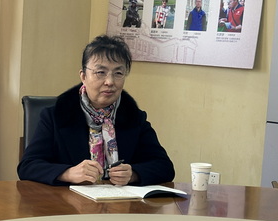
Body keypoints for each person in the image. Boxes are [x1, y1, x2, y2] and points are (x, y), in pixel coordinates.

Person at [17, 35, 174, 187]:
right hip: (68, 202)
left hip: (120, 202)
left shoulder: (134, 117)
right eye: (100, 72)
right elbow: (28, 166)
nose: (110, 82)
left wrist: (133, 174)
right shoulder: (55, 116)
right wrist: (68, 173)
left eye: (118, 73)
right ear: (83, 76)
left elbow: (164, 167)